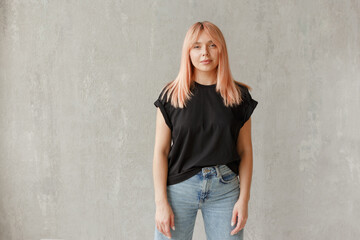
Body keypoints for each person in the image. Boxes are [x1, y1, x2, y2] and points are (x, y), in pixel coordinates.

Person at [152, 21, 258, 240]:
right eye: (197, 46)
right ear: (188, 51)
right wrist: (161, 202)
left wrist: (244, 200)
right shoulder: (172, 95)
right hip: (180, 188)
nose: (205, 53)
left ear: (221, 50)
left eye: (212, 45)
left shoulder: (238, 96)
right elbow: (160, 152)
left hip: (225, 189)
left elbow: (246, 151)